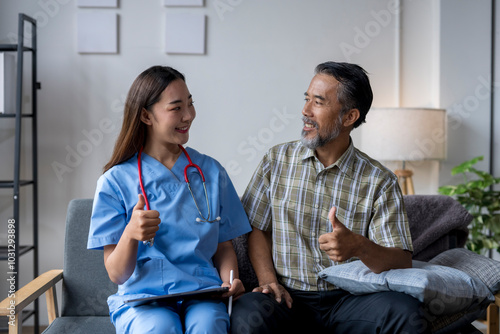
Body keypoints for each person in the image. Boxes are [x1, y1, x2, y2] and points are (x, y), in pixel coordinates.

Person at [231, 61, 431, 334]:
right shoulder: (276, 160)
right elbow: (257, 228)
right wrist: (269, 281)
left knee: (406, 312)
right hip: (288, 298)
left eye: (318, 102)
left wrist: (359, 246)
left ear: (349, 117)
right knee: (247, 312)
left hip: (351, 300)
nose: (305, 111)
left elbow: (400, 260)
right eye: (307, 99)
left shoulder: (379, 180)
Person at [87, 65, 251, 334]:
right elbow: (117, 274)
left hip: (203, 293)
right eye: (176, 108)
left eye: (190, 104)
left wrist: (230, 280)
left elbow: (224, 246)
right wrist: (130, 233)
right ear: (146, 115)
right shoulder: (115, 181)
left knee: (208, 326)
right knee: (159, 328)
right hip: (142, 300)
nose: (189, 115)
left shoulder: (211, 172)